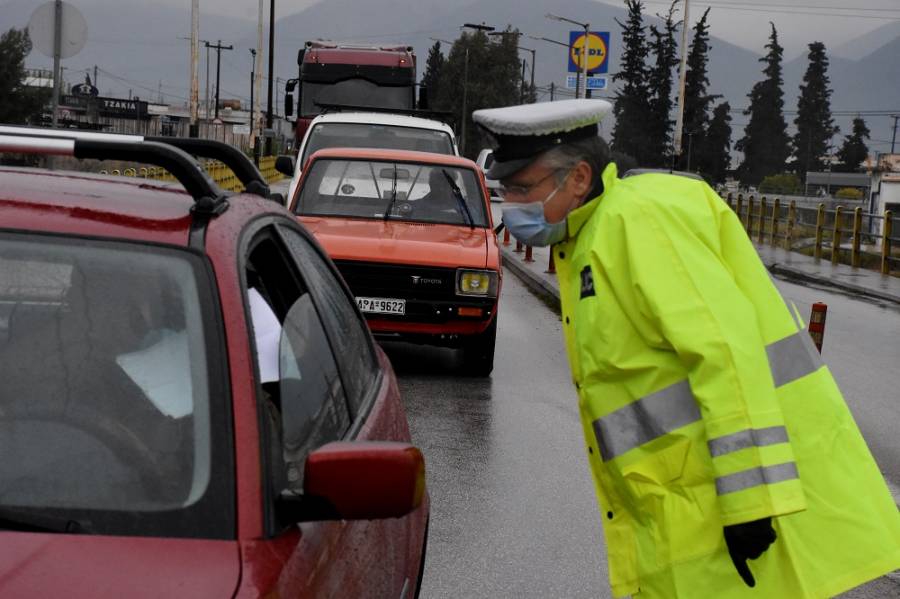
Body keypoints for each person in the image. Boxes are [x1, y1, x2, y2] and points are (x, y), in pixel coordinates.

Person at [473, 99, 900, 598]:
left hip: (720, 515)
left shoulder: (638, 224)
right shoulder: (587, 238)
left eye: (523, 188)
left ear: (580, 178)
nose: (511, 202)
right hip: (677, 511)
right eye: (506, 189)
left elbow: (724, 351)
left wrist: (749, 503)